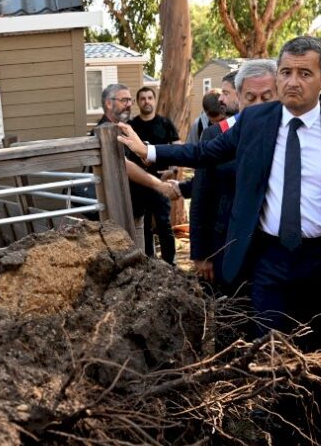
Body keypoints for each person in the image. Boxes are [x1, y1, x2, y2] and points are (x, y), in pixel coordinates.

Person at [118, 36, 321, 446]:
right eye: (286, 72)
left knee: (318, 361)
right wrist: (150, 152)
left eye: (304, 73)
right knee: (275, 360)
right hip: (271, 261)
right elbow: (205, 155)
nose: (292, 82)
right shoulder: (255, 120)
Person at [190, 59, 277, 286]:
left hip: (275, 249)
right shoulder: (216, 135)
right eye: (250, 96)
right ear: (239, 97)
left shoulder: (291, 132)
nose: (258, 104)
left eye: (266, 97)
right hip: (226, 244)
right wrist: (200, 253)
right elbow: (201, 196)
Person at [91, 84, 180, 247]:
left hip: (135, 208)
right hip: (116, 212)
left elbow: (140, 155)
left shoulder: (124, 129)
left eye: (130, 100)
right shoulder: (103, 131)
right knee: (132, 259)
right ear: (109, 104)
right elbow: (124, 165)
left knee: (142, 255)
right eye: (124, 100)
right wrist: (159, 185)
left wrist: (147, 157)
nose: (129, 104)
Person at [129, 86, 181, 264]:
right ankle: (148, 261)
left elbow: (178, 148)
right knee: (143, 226)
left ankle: (169, 263)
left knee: (163, 223)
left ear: (154, 100)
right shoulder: (131, 126)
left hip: (161, 182)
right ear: (138, 102)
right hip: (138, 184)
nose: (146, 101)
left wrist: (172, 170)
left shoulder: (165, 123)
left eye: (150, 98)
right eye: (142, 98)